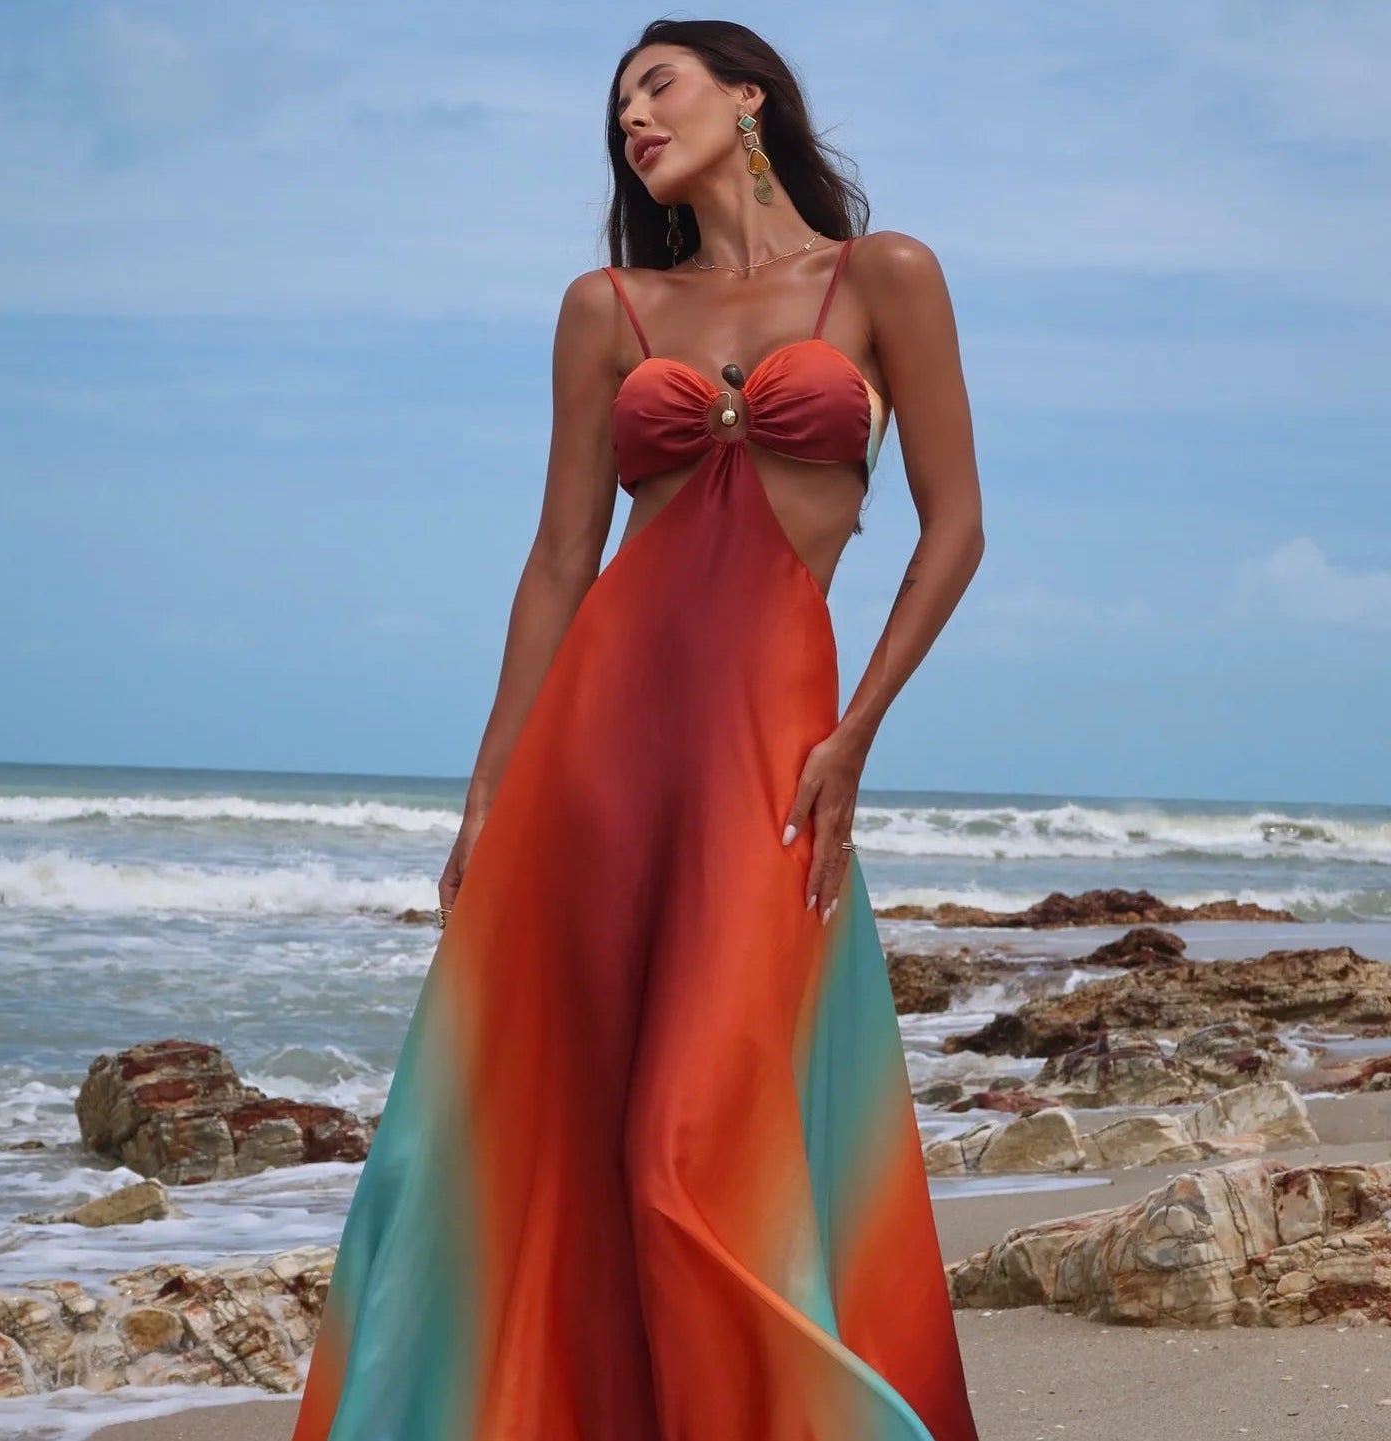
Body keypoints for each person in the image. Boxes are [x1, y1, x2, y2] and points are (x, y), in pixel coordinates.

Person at [291, 17, 984, 1441]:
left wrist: (853, 735)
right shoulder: (606, 305)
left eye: (653, 85)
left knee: (686, 1138)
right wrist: (488, 793)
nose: (630, 117)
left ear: (749, 97)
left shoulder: (883, 277)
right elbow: (558, 562)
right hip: (595, 758)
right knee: (573, 1129)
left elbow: (956, 529)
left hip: (768, 753)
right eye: (614, 106)